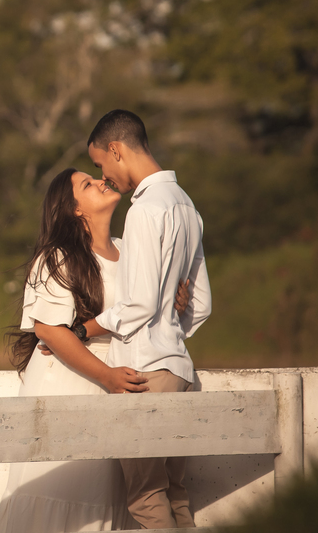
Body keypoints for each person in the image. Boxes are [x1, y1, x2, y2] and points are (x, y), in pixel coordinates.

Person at [0, 166, 162, 532]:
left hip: (117, 383)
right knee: (62, 490)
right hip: (67, 384)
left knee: (105, 496)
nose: (102, 180)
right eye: (88, 183)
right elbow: (49, 331)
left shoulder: (130, 248)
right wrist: (107, 377)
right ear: (75, 209)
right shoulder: (57, 257)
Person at [80, 109, 212, 529]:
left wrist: (83, 329)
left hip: (144, 375)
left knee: (145, 499)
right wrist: (170, 327)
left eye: (100, 164)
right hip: (180, 370)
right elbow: (202, 305)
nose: (104, 175)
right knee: (175, 494)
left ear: (116, 150)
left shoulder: (143, 211)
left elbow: (136, 304)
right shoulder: (187, 206)